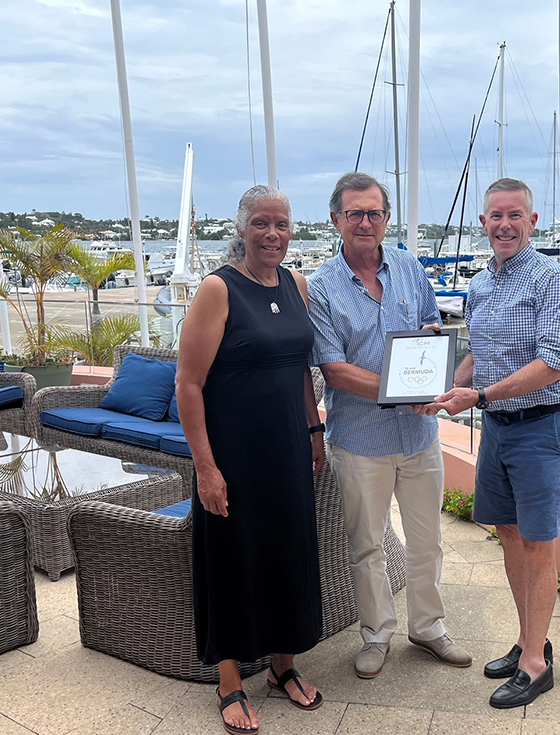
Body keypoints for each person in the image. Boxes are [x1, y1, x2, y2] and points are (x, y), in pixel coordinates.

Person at [415, 178, 560, 708]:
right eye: (496, 216)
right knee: (509, 534)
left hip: (543, 426)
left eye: (515, 215)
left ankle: (536, 666)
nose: (505, 224)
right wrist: (445, 387)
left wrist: (480, 396)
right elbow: (481, 356)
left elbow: (554, 363)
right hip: (498, 427)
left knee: (537, 543)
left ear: (532, 222)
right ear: (483, 222)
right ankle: (529, 640)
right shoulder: (482, 284)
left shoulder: (555, 282)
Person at [307, 171, 473, 680]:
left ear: (386, 218)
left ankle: (428, 628)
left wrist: (431, 348)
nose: (365, 222)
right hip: (360, 440)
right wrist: (400, 389)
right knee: (367, 546)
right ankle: (376, 634)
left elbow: (430, 328)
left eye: (374, 213)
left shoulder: (409, 267)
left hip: (419, 435)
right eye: (355, 213)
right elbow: (333, 368)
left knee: (428, 541)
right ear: (336, 219)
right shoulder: (322, 287)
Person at [176, 185, 325, 735]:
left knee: (289, 552)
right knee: (232, 560)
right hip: (234, 454)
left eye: (281, 224)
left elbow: (299, 366)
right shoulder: (218, 289)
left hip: (288, 448)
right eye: (261, 223)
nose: (272, 234)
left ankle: (283, 667)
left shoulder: (296, 284)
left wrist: (314, 429)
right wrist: (205, 467)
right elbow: (188, 384)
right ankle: (229, 681)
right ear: (241, 228)